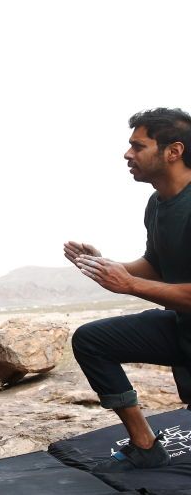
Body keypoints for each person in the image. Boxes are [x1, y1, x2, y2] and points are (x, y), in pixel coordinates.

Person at [66, 107, 191, 473]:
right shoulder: (157, 204)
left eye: (138, 146)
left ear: (174, 151)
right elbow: (156, 264)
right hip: (183, 327)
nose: (127, 154)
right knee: (91, 340)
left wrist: (130, 285)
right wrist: (110, 266)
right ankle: (144, 443)